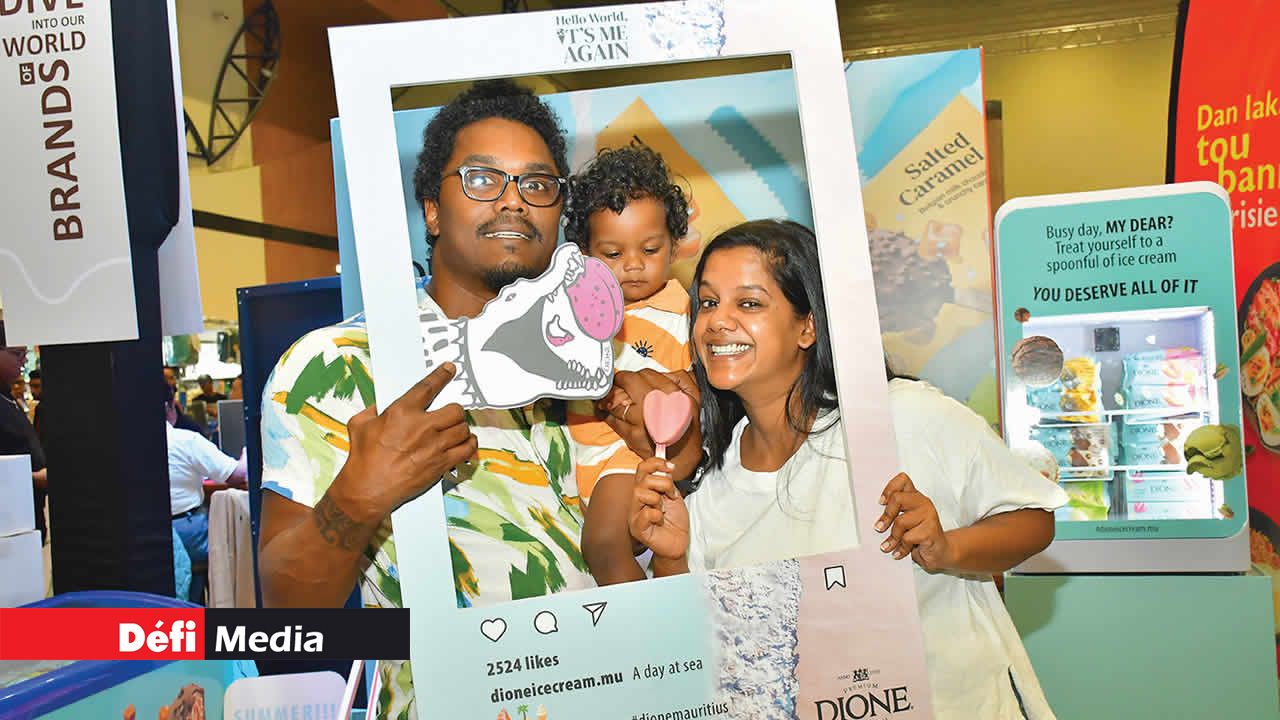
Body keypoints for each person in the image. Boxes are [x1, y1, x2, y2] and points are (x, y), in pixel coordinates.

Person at [256, 79, 701, 720]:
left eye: (538, 184)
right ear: (432, 210)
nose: (514, 201)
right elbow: (290, 618)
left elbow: (676, 477)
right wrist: (357, 498)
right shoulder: (341, 366)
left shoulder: (600, 350)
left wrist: (664, 435)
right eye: (482, 180)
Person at [624, 220, 1067, 720]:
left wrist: (948, 548)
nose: (717, 322)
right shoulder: (712, 481)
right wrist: (669, 558)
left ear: (807, 325)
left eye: (748, 303)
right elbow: (704, 650)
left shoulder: (900, 417)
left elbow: (1035, 517)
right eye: (707, 302)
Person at [561, 145, 694, 585]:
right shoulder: (577, 310)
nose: (633, 265)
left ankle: (644, 642)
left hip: (632, 455)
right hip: (588, 456)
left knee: (602, 545)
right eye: (613, 255)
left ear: (674, 245)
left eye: (650, 249)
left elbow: (695, 387)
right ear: (584, 252)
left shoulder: (683, 312)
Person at [165, 383, 247, 603]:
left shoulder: (127, 443)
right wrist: (247, 455)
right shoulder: (185, 440)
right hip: (187, 531)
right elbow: (236, 475)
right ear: (170, 406)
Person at [0, 325, 48, 544]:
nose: (22, 361)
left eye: (24, 354)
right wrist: (32, 478)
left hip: (27, 517)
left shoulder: (8, 397)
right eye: (17, 354)